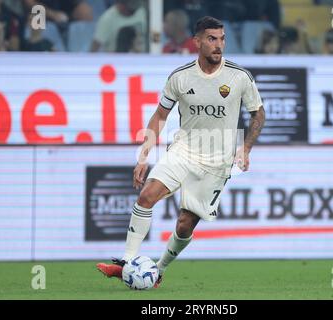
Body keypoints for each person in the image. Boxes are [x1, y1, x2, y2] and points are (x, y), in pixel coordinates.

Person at [96, 16, 265, 288]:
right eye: (212, 39)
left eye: (222, 39)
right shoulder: (180, 76)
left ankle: (158, 270)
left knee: (185, 224)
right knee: (147, 195)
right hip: (183, 151)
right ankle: (127, 262)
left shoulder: (239, 77)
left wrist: (245, 147)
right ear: (196, 41)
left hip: (216, 163)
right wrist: (143, 156)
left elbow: (258, 113)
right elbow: (159, 116)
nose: (218, 45)